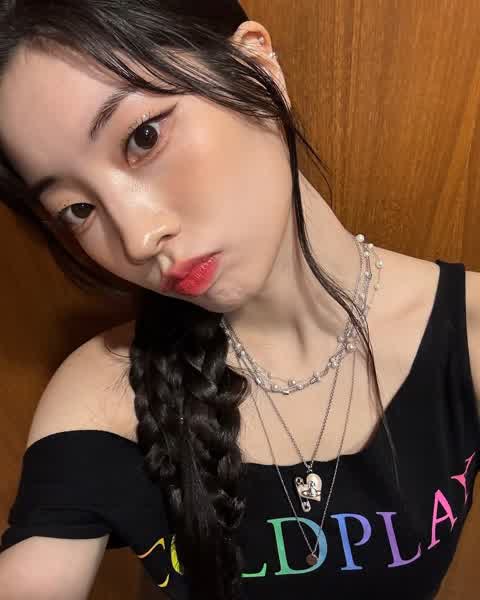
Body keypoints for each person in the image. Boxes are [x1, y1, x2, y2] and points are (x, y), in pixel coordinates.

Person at [0, 2, 478, 599]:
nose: (138, 238)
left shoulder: (466, 333)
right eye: (77, 208)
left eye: (144, 137)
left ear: (257, 64)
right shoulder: (103, 394)